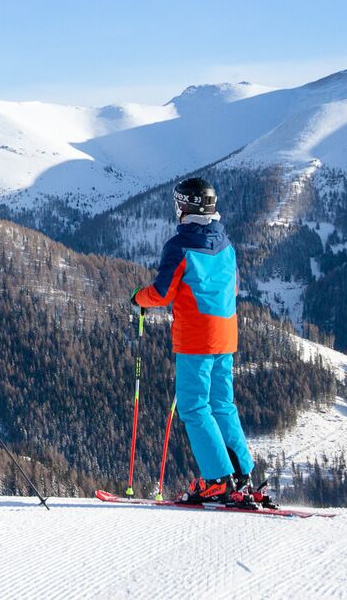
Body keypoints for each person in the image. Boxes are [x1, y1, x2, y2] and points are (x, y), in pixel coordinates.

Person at [130, 177, 256, 505]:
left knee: (194, 405)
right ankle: (242, 475)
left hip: (196, 338)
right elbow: (234, 288)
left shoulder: (180, 246)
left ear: (186, 206)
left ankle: (217, 480)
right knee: (222, 403)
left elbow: (161, 293)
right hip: (226, 334)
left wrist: (138, 297)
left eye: (179, 202)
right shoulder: (226, 245)